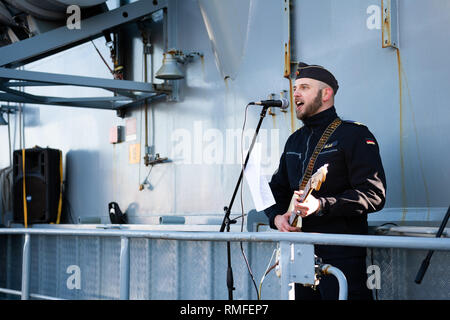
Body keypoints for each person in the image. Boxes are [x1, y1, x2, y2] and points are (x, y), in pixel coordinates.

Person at [264, 62, 386, 300]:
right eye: (295, 88)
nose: (295, 93)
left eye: (304, 87)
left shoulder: (354, 135)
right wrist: (276, 218)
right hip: (298, 256)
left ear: (326, 93)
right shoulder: (294, 140)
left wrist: (320, 205)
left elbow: (374, 195)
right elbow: (276, 190)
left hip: (342, 258)